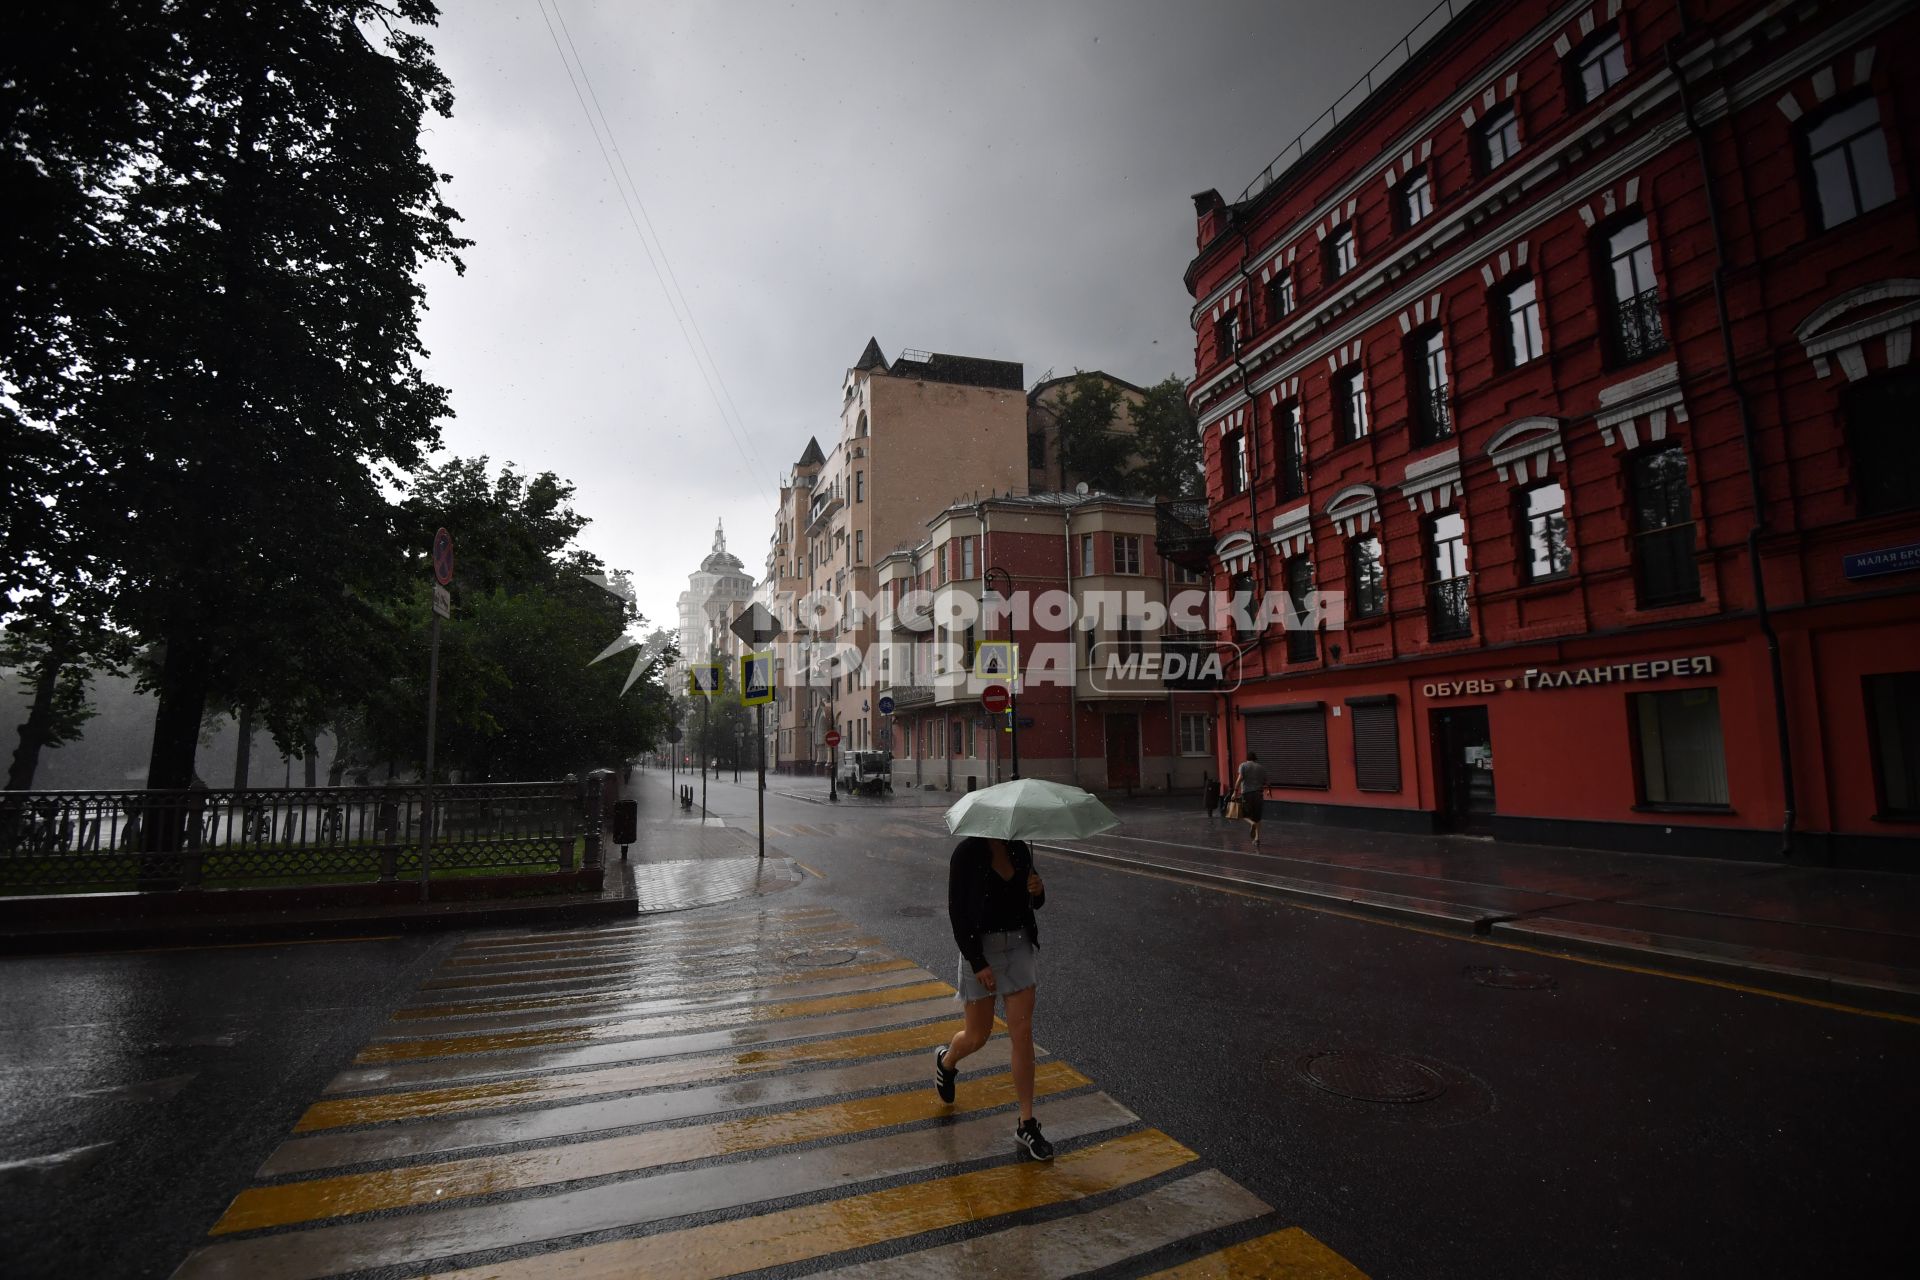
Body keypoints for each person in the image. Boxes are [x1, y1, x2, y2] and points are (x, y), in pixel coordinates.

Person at [934, 834, 1051, 1160]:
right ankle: (947, 1061)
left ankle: (1027, 1122)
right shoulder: (966, 853)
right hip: (980, 951)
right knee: (977, 1035)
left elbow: (1033, 903)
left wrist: (1038, 891)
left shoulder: (1018, 848)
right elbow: (957, 912)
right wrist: (978, 962)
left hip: (1018, 946)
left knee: (1022, 1033)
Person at [1232, 750, 1267, 846]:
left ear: (1247, 758)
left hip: (1247, 794)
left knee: (1243, 814)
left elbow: (1239, 779)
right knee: (1258, 817)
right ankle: (1257, 839)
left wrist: (1235, 792)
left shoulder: (1243, 765)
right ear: (1255, 759)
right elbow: (1266, 782)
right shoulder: (1261, 768)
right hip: (1259, 795)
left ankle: (1251, 823)